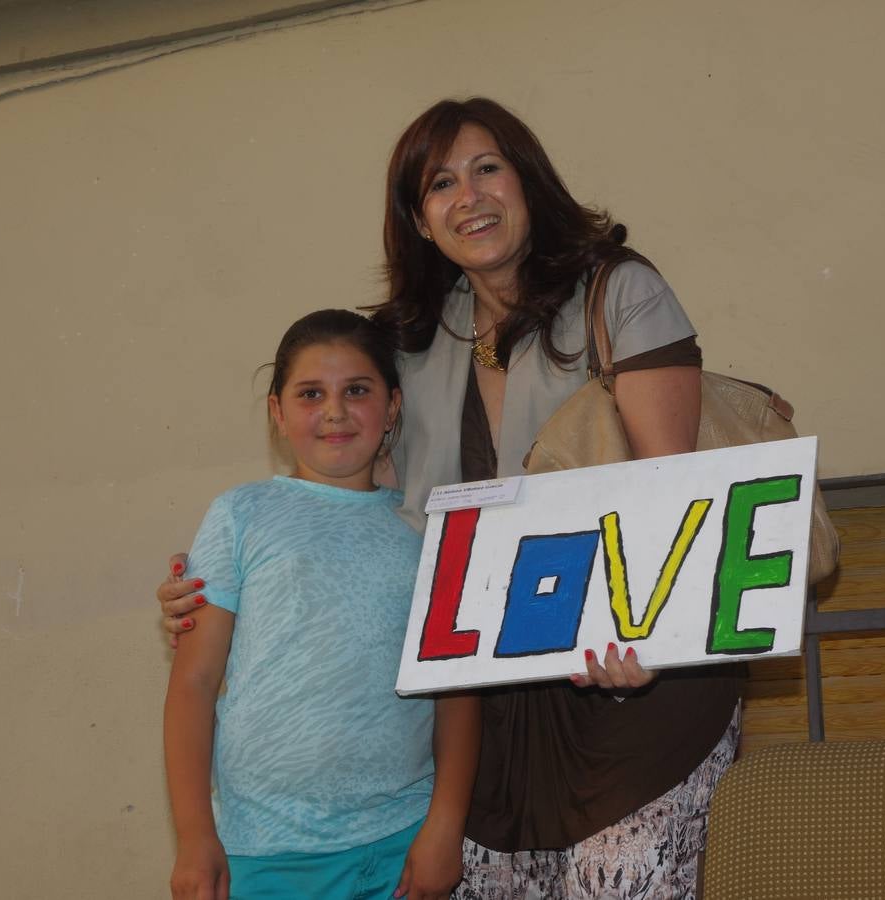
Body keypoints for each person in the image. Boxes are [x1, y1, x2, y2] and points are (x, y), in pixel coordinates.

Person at [159, 98, 742, 900]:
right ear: (420, 218)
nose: (467, 196)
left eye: (486, 169)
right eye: (440, 183)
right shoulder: (409, 337)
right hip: (484, 724)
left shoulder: (619, 292)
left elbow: (671, 496)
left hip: (628, 693)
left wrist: (646, 635)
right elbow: (362, 520)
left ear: (527, 180)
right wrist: (214, 594)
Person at [164, 309, 480, 900]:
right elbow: (193, 683)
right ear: (277, 412)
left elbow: (455, 692)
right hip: (263, 850)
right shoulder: (241, 515)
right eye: (311, 393)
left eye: (356, 391)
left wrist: (444, 826)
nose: (335, 411)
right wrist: (194, 836)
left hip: (401, 844)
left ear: (391, 407)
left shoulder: (430, 529)